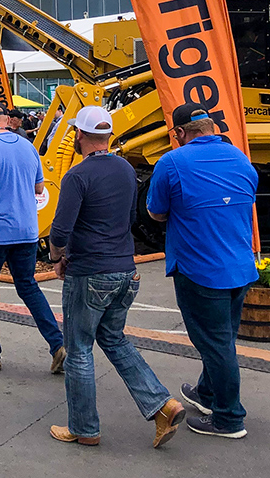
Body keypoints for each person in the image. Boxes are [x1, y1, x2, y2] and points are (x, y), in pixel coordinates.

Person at [48, 105, 184, 448]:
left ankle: (83, 428)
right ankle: (161, 405)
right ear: (108, 135)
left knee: (78, 349)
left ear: (79, 135)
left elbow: (60, 230)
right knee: (114, 339)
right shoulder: (125, 169)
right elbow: (129, 217)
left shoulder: (77, 177)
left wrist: (57, 257)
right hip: (126, 270)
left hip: (90, 272)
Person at [147, 102, 258, 440]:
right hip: (240, 266)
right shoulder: (241, 159)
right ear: (211, 127)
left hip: (199, 269)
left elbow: (156, 213)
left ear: (180, 133)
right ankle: (206, 395)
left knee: (215, 344)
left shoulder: (172, 162)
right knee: (223, 338)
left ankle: (229, 418)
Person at [0, 101, 65, 373]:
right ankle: (58, 344)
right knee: (28, 286)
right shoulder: (28, 148)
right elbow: (39, 186)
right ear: (7, 120)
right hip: (26, 231)